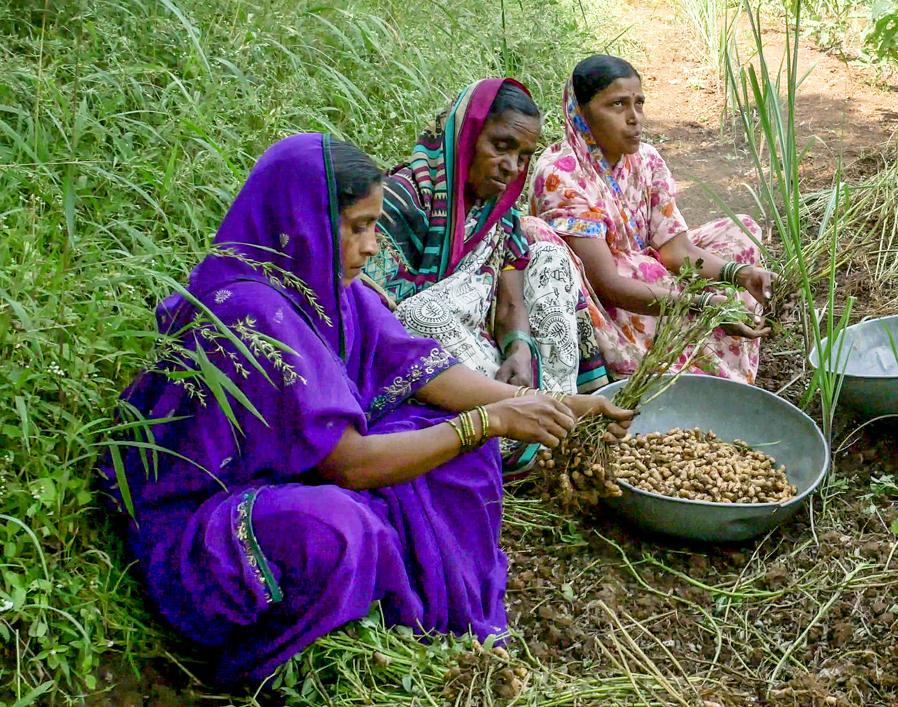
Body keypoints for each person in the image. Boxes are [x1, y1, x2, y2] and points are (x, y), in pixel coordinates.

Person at [101, 134, 632, 685]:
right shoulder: (249, 312)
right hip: (213, 514)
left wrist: (552, 403)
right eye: (358, 226)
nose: (373, 245)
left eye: (375, 226)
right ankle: (262, 670)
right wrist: (487, 422)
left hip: (301, 472)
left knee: (457, 457)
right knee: (335, 530)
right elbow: (348, 464)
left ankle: (427, 619)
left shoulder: (326, 285)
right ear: (298, 219)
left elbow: (427, 371)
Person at [362, 79, 608, 478]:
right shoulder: (403, 199)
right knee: (425, 311)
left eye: (524, 156)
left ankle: (556, 405)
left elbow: (512, 299)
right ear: (467, 135)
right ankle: (530, 423)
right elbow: (379, 326)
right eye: (501, 146)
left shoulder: (499, 210)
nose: (511, 167)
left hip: (484, 350)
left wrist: (519, 348)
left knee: (548, 256)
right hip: (422, 366)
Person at [530, 55, 777, 383]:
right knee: (638, 266)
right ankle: (656, 367)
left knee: (741, 231)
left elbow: (675, 251)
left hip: (658, 284)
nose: (635, 118)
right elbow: (607, 283)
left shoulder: (646, 160)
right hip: (604, 301)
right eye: (617, 105)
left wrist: (740, 274)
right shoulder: (560, 174)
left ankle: (722, 366)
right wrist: (701, 304)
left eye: (639, 103)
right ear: (580, 113)